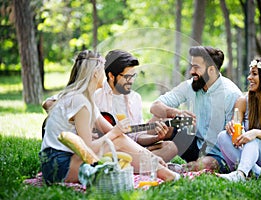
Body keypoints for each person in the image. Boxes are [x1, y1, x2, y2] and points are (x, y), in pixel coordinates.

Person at [39, 50, 179, 184]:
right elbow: (90, 149)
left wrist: (152, 158)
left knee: (118, 141)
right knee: (114, 142)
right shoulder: (80, 101)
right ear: (95, 74)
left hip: (68, 160)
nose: (104, 74)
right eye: (101, 70)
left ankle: (161, 170)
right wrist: (115, 132)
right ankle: (165, 174)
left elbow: (117, 135)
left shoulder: (88, 101)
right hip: (57, 166)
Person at [150, 46, 242, 173]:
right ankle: (137, 151)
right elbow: (155, 106)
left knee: (202, 165)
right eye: (191, 66)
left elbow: (233, 139)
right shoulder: (190, 85)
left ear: (211, 70)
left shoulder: (231, 94)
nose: (191, 71)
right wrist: (176, 112)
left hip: (219, 154)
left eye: (196, 67)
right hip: (194, 143)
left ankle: (175, 169)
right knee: (160, 118)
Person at [94, 49, 178, 162]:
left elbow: (137, 137)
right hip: (106, 151)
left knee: (170, 147)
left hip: (131, 150)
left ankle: (140, 163)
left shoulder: (135, 98)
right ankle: (146, 163)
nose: (131, 81)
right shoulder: (96, 97)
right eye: (127, 77)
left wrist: (156, 138)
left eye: (133, 76)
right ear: (111, 76)